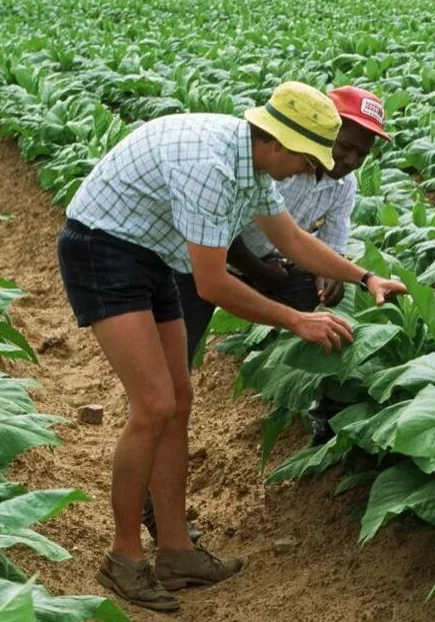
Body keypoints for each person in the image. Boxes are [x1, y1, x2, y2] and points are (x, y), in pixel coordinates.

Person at [57, 81, 406, 612]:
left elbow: (292, 240)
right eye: (306, 160)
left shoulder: (254, 162)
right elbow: (213, 285)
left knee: (179, 399)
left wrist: (365, 277)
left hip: (153, 252)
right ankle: (124, 557)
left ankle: (176, 551)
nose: (310, 171)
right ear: (278, 142)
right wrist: (297, 320)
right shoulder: (213, 166)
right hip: (102, 248)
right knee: (153, 404)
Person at [141, 87, 391, 541]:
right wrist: (263, 275)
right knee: (170, 385)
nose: (351, 159)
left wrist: (340, 277)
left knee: (340, 307)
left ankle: (330, 416)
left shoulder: (341, 184)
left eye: (362, 153)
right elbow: (218, 235)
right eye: (345, 146)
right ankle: (152, 501)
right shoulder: (277, 164)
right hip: (204, 263)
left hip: (270, 267)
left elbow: (318, 245)